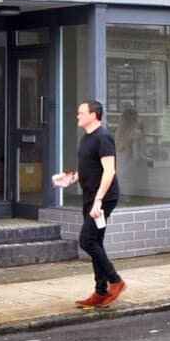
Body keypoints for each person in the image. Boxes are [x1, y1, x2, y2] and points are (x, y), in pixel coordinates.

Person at [57, 100, 125, 309]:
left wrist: (98, 201)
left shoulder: (103, 138)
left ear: (94, 115)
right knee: (96, 241)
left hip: (103, 198)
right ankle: (100, 291)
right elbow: (89, 167)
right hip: (89, 195)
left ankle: (116, 281)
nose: (77, 116)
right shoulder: (86, 139)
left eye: (81, 113)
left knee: (87, 240)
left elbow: (109, 171)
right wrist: (72, 178)